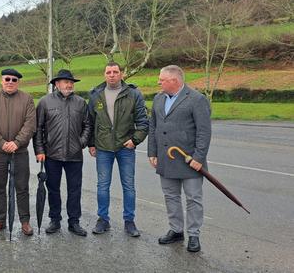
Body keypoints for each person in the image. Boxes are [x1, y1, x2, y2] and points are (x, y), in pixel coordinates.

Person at [148, 65, 211, 253]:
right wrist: (152, 152)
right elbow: (154, 127)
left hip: (189, 160)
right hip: (166, 159)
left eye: (162, 79)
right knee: (170, 196)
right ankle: (176, 231)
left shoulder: (196, 99)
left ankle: (193, 235)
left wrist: (199, 157)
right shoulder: (158, 99)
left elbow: (204, 131)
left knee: (193, 199)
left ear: (174, 81)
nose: (158, 82)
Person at [87, 62, 149, 237]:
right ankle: (103, 220)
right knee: (102, 185)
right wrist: (91, 144)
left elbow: (143, 123)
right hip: (103, 148)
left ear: (122, 74)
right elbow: (90, 122)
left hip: (125, 147)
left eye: (115, 72)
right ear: (104, 74)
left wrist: (135, 140)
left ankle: (129, 221)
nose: (112, 75)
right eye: (108, 72)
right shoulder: (95, 95)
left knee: (128, 186)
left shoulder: (133, 94)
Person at [34, 69, 91, 236]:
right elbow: (38, 129)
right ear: (56, 84)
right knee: (53, 189)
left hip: (74, 156)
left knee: (75, 189)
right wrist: (39, 150)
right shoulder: (45, 102)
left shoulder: (81, 102)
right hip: (52, 154)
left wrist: (81, 142)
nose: (69, 84)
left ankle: (74, 222)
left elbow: (88, 125)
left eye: (71, 81)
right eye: (65, 81)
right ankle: (55, 220)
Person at [0, 68, 36, 236]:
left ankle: (25, 221)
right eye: (7, 79)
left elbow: (30, 124)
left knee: (22, 187)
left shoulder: (27, 99)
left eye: (14, 80)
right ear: (1, 80)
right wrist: (1, 142)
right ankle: (0, 220)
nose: (10, 82)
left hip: (19, 152)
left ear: (18, 82)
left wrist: (17, 142)